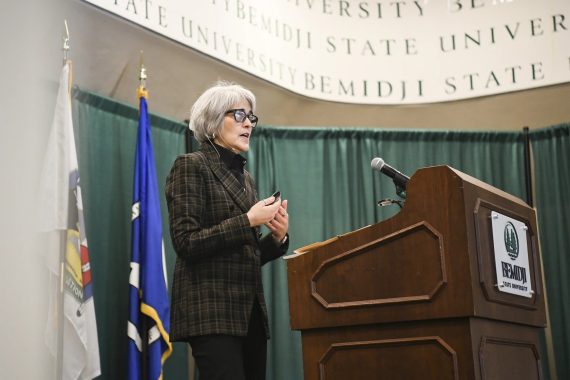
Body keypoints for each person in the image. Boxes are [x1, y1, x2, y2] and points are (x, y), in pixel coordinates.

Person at [165, 81, 289, 380]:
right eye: (239, 115)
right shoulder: (190, 166)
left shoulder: (245, 178)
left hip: (249, 313)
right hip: (212, 311)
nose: (249, 124)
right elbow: (187, 243)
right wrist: (248, 220)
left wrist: (277, 237)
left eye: (251, 118)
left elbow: (245, 254)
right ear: (212, 121)